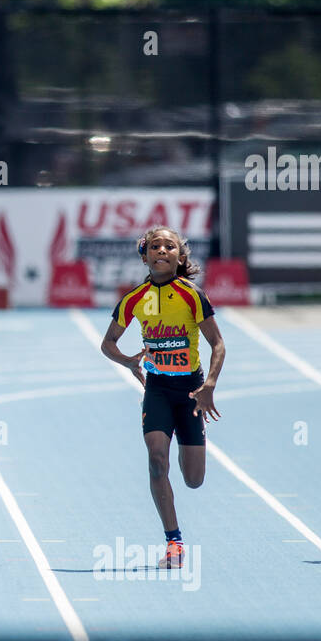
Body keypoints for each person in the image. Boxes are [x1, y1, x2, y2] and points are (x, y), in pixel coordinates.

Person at [100, 226, 225, 569]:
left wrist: (209, 385)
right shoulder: (134, 299)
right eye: (155, 246)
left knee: (193, 480)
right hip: (156, 389)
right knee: (157, 461)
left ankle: (195, 438)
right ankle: (174, 543)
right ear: (145, 255)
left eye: (170, 246)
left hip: (191, 392)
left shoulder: (192, 294)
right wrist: (127, 361)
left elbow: (218, 343)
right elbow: (107, 343)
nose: (162, 250)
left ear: (179, 257)